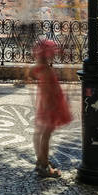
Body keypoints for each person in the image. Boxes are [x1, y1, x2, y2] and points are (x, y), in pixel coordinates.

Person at [27, 39, 72, 178]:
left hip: (46, 105)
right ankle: (45, 166)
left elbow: (30, 74)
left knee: (40, 133)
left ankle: (41, 160)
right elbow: (48, 90)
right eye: (52, 53)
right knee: (46, 134)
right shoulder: (46, 70)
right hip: (50, 107)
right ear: (47, 55)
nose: (54, 55)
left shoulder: (39, 68)